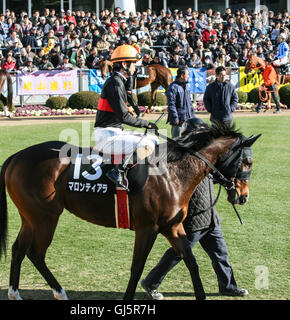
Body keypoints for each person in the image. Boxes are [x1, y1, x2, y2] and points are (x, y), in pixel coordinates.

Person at [141, 118, 248, 300]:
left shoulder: (205, 156)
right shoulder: (181, 159)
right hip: (194, 220)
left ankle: (228, 286)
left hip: (211, 218)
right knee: (177, 254)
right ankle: (150, 282)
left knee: (221, 255)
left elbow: (220, 174)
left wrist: (233, 188)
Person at [94, 44, 158, 191]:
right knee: (148, 144)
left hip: (115, 132)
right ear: (124, 64)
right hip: (106, 136)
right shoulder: (115, 83)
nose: (135, 67)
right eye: (133, 64)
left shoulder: (119, 82)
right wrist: (146, 123)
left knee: (153, 140)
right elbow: (124, 116)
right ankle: (118, 170)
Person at [166, 67, 195, 138]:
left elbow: (189, 103)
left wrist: (193, 116)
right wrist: (175, 118)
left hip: (188, 119)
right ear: (182, 75)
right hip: (178, 120)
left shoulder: (186, 86)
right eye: (187, 74)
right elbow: (171, 104)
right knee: (177, 141)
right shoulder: (173, 87)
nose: (188, 76)